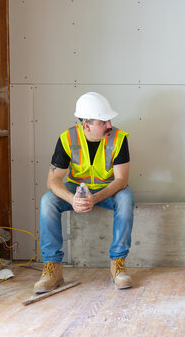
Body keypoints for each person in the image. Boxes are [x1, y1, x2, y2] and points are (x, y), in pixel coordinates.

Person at [34, 92, 134, 293]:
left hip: (107, 189)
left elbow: (121, 180)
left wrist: (94, 198)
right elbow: (52, 180)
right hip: (76, 189)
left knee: (126, 198)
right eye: (102, 121)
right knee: (48, 201)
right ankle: (53, 268)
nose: (109, 125)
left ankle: (118, 263)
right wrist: (73, 199)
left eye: (109, 119)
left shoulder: (119, 138)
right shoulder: (67, 138)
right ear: (86, 125)